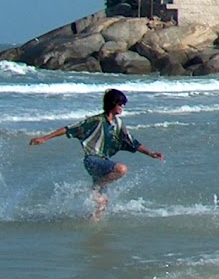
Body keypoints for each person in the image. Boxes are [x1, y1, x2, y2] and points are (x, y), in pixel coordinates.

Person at [29, 88, 163, 217]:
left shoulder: (119, 123)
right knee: (121, 169)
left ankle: (92, 228)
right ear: (113, 104)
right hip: (92, 160)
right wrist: (44, 138)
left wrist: (150, 153)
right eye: (121, 104)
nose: (123, 107)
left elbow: (132, 142)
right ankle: (96, 185)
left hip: (104, 162)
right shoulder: (97, 120)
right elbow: (69, 128)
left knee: (102, 204)